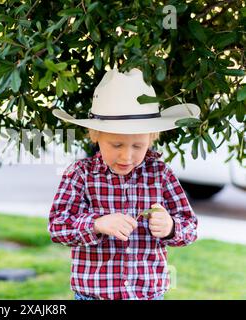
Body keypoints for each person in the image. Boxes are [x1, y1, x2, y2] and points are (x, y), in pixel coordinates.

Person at [48, 68, 200, 300]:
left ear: (151, 138)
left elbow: (189, 227)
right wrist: (96, 224)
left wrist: (170, 227)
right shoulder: (80, 175)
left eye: (138, 146)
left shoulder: (161, 175)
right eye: (117, 145)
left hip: (148, 295)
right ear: (96, 135)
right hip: (94, 295)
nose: (126, 157)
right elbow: (58, 227)